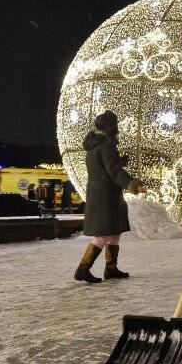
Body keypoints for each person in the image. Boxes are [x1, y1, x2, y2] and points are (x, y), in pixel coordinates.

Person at [74, 111, 145, 283]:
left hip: (104, 196)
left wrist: (119, 161)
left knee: (114, 233)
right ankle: (83, 269)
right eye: (116, 124)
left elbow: (106, 168)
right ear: (111, 127)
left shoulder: (95, 148)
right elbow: (114, 172)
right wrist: (134, 185)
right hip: (106, 199)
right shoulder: (107, 146)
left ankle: (111, 268)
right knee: (104, 236)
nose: (118, 128)